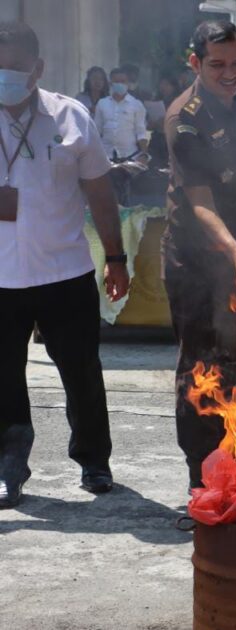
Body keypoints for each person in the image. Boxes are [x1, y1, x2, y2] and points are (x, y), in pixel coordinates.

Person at [0, 22, 130, 508]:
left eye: (13, 67)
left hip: (64, 273)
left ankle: (94, 461)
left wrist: (115, 259)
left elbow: (100, 192)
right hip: (2, 279)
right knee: (4, 380)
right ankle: (9, 468)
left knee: (81, 374)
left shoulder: (69, 116)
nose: (5, 76)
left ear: (37, 68)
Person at [162, 20, 236, 490]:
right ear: (195, 63)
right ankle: (201, 481)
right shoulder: (183, 118)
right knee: (200, 370)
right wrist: (233, 251)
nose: (231, 74)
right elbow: (201, 203)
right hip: (196, 260)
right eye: (217, 65)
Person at [93, 66, 149, 162]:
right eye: (116, 81)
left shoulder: (136, 105)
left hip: (130, 156)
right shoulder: (102, 103)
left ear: (128, 83)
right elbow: (96, 131)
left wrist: (144, 155)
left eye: (123, 81)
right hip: (106, 156)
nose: (120, 84)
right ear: (111, 83)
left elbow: (141, 132)